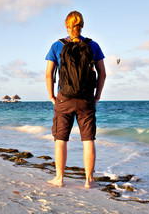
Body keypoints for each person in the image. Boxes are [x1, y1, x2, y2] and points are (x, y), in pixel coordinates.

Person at [45, 11, 106, 188]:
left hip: (63, 98)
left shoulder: (57, 46)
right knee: (88, 139)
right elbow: (103, 73)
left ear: (67, 26)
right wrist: (97, 96)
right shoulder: (93, 45)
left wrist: (51, 96)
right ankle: (89, 180)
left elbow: (49, 74)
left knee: (61, 138)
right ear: (82, 26)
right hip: (86, 99)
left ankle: (59, 178)